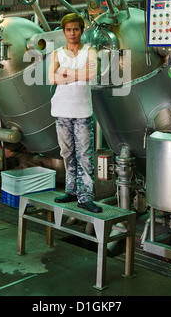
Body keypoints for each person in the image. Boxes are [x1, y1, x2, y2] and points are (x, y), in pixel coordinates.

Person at [48, 13, 102, 213]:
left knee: (85, 155)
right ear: (64, 32)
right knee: (67, 153)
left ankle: (85, 197)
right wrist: (78, 75)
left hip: (82, 112)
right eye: (69, 30)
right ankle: (71, 191)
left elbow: (92, 74)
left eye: (76, 29)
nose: (72, 33)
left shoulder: (90, 51)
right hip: (61, 110)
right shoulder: (57, 54)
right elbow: (51, 78)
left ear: (81, 30)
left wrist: (66, 72)